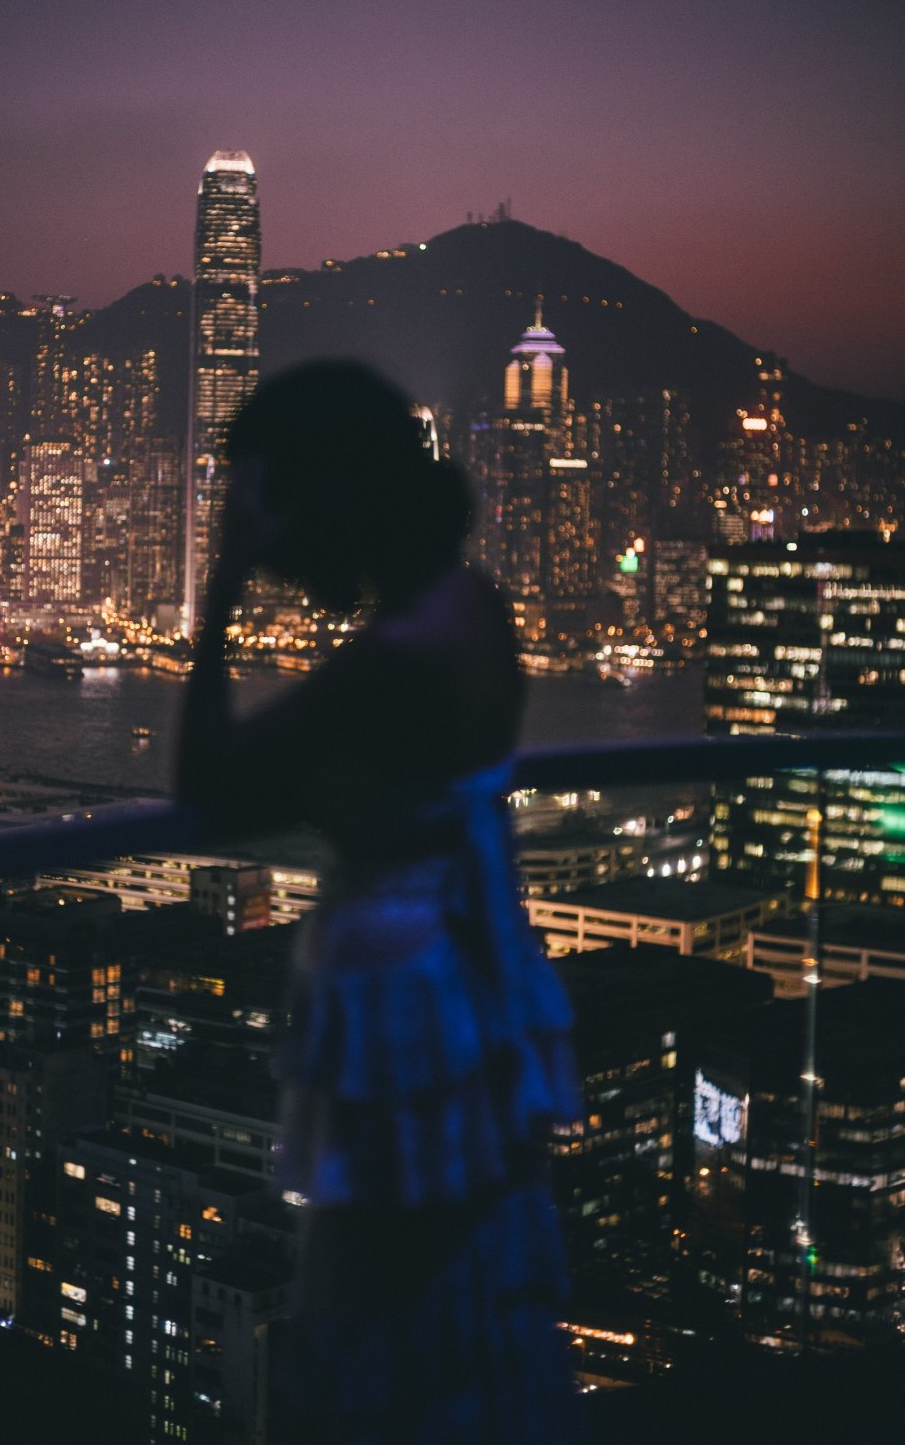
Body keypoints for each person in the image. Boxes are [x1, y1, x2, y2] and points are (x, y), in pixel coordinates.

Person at [177, 361, 584, 1444]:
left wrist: (221, 583)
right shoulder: (470, 606)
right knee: (464, 1311)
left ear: (327, 498)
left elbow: (210, 785)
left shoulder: (392, 663)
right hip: (474, 992)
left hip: (406, 1027)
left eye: (274, 500)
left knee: (361, 1332)